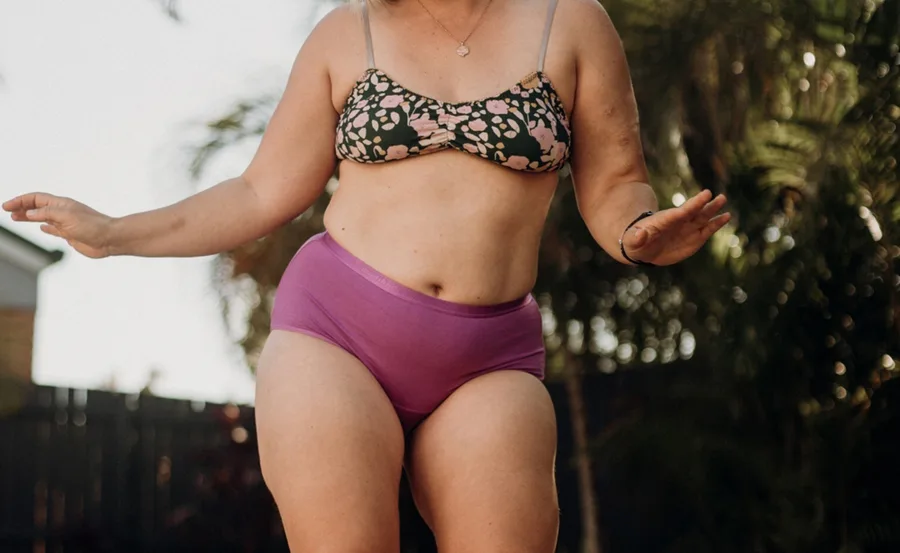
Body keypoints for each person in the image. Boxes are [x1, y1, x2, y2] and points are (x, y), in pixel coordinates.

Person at [3, 0, 730, 550]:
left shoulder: (571, 22)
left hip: (489, 359)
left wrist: (639, 234)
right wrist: (115, 233)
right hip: (337, 337)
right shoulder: (346, 33)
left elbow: (615, 184)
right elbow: (259, 192)